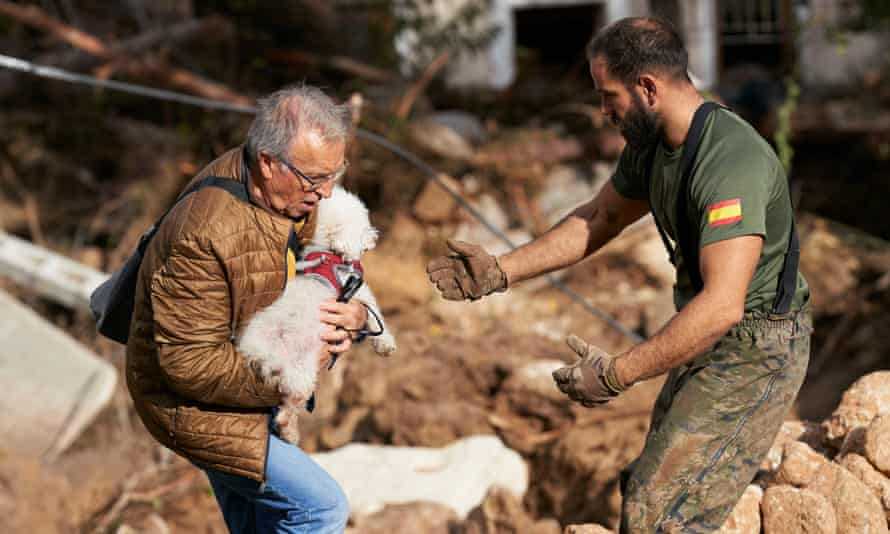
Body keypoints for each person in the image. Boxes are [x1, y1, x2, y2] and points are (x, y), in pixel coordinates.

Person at [427, 17, 811, 533]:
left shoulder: (729, 160)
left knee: (663, 513)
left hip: (756, 348)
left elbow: (723, 305)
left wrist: (617, 373)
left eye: (609, 96)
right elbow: (599, 217)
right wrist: (500, 270)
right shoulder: (653, 145)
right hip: (710, 335)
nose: (604, 112)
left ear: (647, 88)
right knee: (644, 489)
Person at [126, 84, 371, 533]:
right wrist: (293, 371)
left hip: (245, 383)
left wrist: (354, 319)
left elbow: (322, 269)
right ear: (267, 162)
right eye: (316, 178)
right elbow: (188, 365)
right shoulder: (201, 236)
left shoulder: (290, 194)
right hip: (192, 407)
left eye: (335, 174)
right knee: (321, 509)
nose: (327, 192)